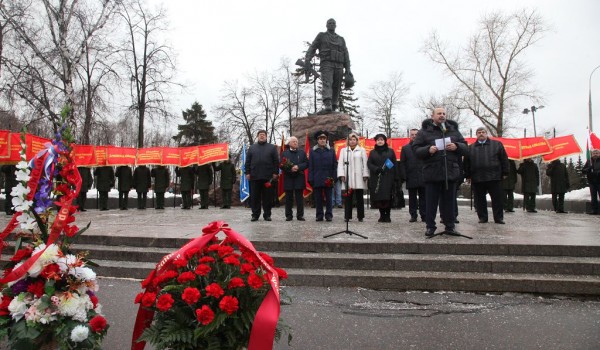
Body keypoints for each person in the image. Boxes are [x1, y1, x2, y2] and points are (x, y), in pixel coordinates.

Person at [412, 107, 467, 237]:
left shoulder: (453, 130)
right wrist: (427, 150)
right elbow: (416, 149)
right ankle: (430, 226)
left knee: (449, 202)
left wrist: (457, 146)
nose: (442, 115)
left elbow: (466, 147)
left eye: (443, 113)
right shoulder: (424, 132)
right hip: (432, 172)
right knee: (431, 202)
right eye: (439, 114)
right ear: (433, 116)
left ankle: (450, 226)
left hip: (450, 172)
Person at [305, 18, 353, 115]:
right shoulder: (321, 36)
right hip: (327, 63)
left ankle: (334, 105)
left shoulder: (341, 39)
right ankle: (327, 104)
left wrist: (348, 68)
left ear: (336, 25)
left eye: (333, 23)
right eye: (329, 23)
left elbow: (346, 54)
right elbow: (313, 47)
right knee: (327, 83)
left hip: (339, 65)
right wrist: (307, 59)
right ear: (326, 25)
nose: (331, 24)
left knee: (337, 85)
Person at [464, 127, 509, 224]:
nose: (481, 134)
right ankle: (483, 217)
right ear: (476, 135)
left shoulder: (497, 145)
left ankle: (498, 218)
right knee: (479, 199)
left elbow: (504, 159)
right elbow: (466, 162)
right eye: (479, 132)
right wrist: (467, 175)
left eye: (483, 132)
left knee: (497, 199)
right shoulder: (470, 148)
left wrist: (505, 172)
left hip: (494, 176)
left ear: (486, 133)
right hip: (477, 177)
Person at [245, 129, 279, 221]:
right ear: (257, 136)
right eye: (260, 134)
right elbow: (247, 161)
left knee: (267, 197)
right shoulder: (252, 148)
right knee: (255, 197)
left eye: (263, 134)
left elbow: (276, 161)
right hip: (254, 176)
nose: (262, 136)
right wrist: (247, 172)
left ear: (266, 136)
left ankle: (267, 215)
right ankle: (255, 215)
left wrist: (275, 172)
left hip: (268, 177)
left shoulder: (272, 148)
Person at [338, 133, 368, 222]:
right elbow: (340, 164)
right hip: (348, 177)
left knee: (359, 197)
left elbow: (365, 163)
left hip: (359, 176)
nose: (352, 141)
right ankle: (347, 216)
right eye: (350, 139)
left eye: (354, 139)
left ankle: (360, 216)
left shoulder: (362, 150)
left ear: (357, 141)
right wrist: (342, 174)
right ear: (348, 141)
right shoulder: (343, 150)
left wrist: (365, 174)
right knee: (348, 197)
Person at [367, 134, 397, 222]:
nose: (380, 141)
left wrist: (386, 168)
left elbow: (394, 162)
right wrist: (377, 169)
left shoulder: (390, 151)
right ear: (376, 141)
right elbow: (369, 164)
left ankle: (387, 215)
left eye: (382, 139)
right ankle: (381, 215)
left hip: (388, 176)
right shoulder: (372, 152)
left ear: (385, 141)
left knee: (387, 197)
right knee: (379, 197)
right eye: (378, 140)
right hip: (376, 177)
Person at [309, 130, 337, 221]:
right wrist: (311, 178)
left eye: (324, 138)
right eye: (320, 139)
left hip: (328, 178)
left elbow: (334, 165)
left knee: (329, 198)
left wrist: (334, 177)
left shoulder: (331, 150)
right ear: (317, 140)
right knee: (318, 198)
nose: (322, 140)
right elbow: (311, 166)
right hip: (317, 177)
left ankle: (329, 215)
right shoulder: (313, 151)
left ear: (326, 140)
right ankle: (319, 215)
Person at [280, 136, 308, 221]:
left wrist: (298, 167)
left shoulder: (302, 153)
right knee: (289, 198)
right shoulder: (284, 153)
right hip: (288, 177)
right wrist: (290, 169)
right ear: (289, 143)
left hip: (299, 177)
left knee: (299, 198)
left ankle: (300, 215)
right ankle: (289, 215)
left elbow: (306, 163)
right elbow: (281, 165)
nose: (295, 143)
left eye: (296, 141)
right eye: (293, 142)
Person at [400, 129, 425, 222]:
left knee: (424, 197)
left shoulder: (424, 147)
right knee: (412, 198)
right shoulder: (405, 148)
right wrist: (404, 175)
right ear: (409, 136)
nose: (414, 136)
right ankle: (413, 215)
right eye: (412, 134)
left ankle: (424, 214)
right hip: (411, 175)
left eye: (416, 134)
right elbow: (402, 163)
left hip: (423, 176)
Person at [583, 149, 600, 215]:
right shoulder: (589, 161)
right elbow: (583, 170)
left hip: (599, 181)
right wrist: (588, 169)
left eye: (597, 153)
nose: (595, 154)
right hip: (592, 182)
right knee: (593, 197)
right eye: (594, 153)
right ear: (592, 154)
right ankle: (594, 210)